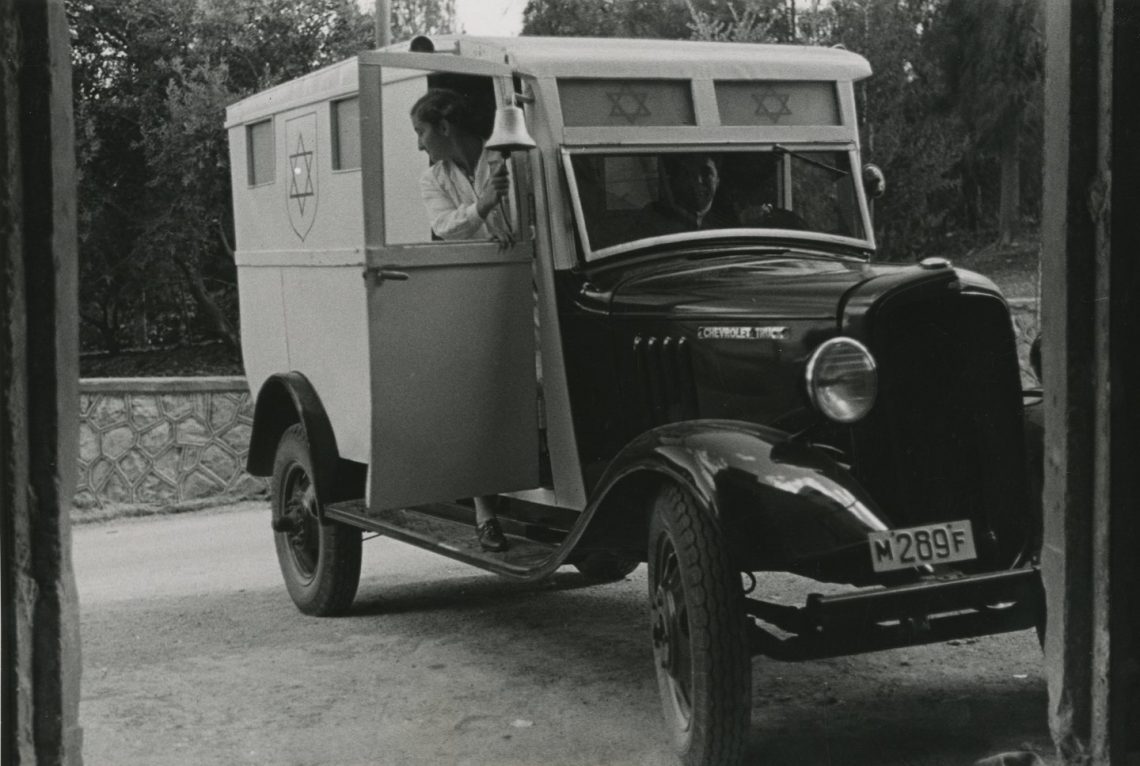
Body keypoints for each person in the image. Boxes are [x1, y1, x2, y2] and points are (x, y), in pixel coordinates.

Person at [410, 87, 513, 552]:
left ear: (445, 127)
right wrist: (483, 208)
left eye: (421, 132)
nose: (420, 143)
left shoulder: (507, 155)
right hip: (476, 289)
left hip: (526, 284)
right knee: (480, 394)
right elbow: (444, 227)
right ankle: (485, 514)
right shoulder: (434, 178)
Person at [635, 154, 736, 238]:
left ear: (717, 180)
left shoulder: (729, 225)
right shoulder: (653, 218)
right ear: (677, 181)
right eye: (688, 173)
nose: (698, 181)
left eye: (706, 173)